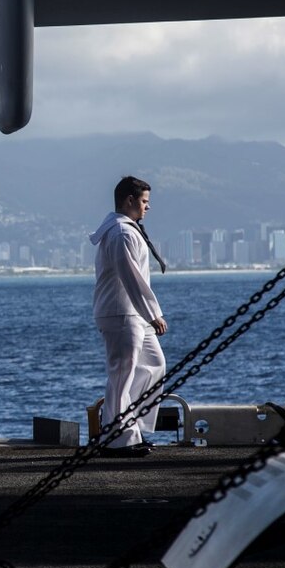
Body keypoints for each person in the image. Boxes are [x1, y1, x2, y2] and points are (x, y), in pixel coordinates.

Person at [88, 175, 168, 458]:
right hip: (122, 313)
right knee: (121, 376)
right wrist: (153, 313)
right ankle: (117, 439)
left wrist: (147, 314)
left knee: (154, 365)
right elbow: (131, 277)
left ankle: (126, 426)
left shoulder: (124, 230)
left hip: (131, 314)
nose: (148, 207)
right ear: (130, 200)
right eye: (145, 201)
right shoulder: (122, 233)